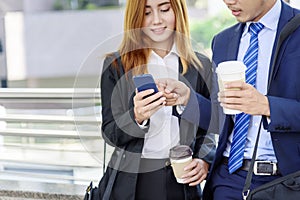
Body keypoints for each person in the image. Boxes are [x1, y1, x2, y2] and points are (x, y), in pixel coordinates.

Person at [159, 0, 300, 199]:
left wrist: (267, 106)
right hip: (228, 179)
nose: (228, 1)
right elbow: (223, 120)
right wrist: (187, 98)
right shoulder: (223, 41)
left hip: (288, 183)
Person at [100, 0, 215, 199]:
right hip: (131, 184)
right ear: (135, 17)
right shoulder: (117, 65)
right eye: (146, 13)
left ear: (177, 11)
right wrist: (136, 117)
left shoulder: (200, 65)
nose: (156, 20)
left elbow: (211, 126)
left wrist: (204, 160)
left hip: (182, 182)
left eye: (164, 9)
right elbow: (110, 133)